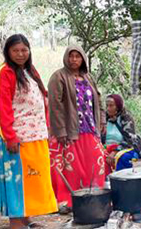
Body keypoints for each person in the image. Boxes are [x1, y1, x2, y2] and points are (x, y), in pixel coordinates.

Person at [0, 34, 58, 229]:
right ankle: (16, 222)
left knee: (32, 179)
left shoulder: (29, 70)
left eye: (24, 50)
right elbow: (2, 107)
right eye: (15, 50)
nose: (20, 54)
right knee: (17, 180)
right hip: (17, 137)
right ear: (7, 52)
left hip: (36, 134)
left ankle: (26, 217)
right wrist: (9, 136)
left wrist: (48, 127)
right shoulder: (5, 72)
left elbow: (40, 99)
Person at [48, 46, 106, 209]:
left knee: (95, 163)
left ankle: (93, 196)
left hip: (90, 129)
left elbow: (98, 100)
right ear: (66, 58)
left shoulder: (88, 77)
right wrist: (60, 130)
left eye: (78, 57)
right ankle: (71, 201)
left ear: (83, 59)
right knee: (72, 167)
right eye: (71, 56)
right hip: (70, 131)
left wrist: (102, 120)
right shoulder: (58, 77)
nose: (74, 60)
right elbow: (55, 105)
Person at [102, 94, 141, 171]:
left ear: (117, 106)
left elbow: (129, 140)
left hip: (124, 148)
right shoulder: (104, 119)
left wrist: (114, 151)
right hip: (107, 148)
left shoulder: (125, 118)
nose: (108, 108)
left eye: (111, 106)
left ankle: (121, 181)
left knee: (124, 158)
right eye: (107, 105)